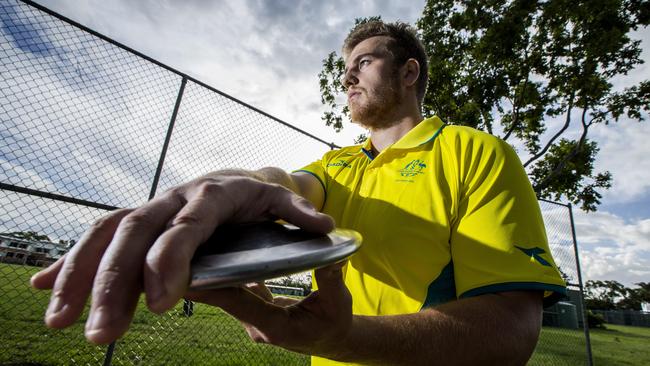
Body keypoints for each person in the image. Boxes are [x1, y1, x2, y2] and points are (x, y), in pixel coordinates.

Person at [31, 20, 566, 365]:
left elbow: (510, 332)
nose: (348, 77)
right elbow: (286, 185)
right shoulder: (338, 165)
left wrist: (343, 339)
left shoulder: (474, 153)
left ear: (408, 72)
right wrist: (233, 185)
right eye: (344, 68)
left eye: (363, 63)